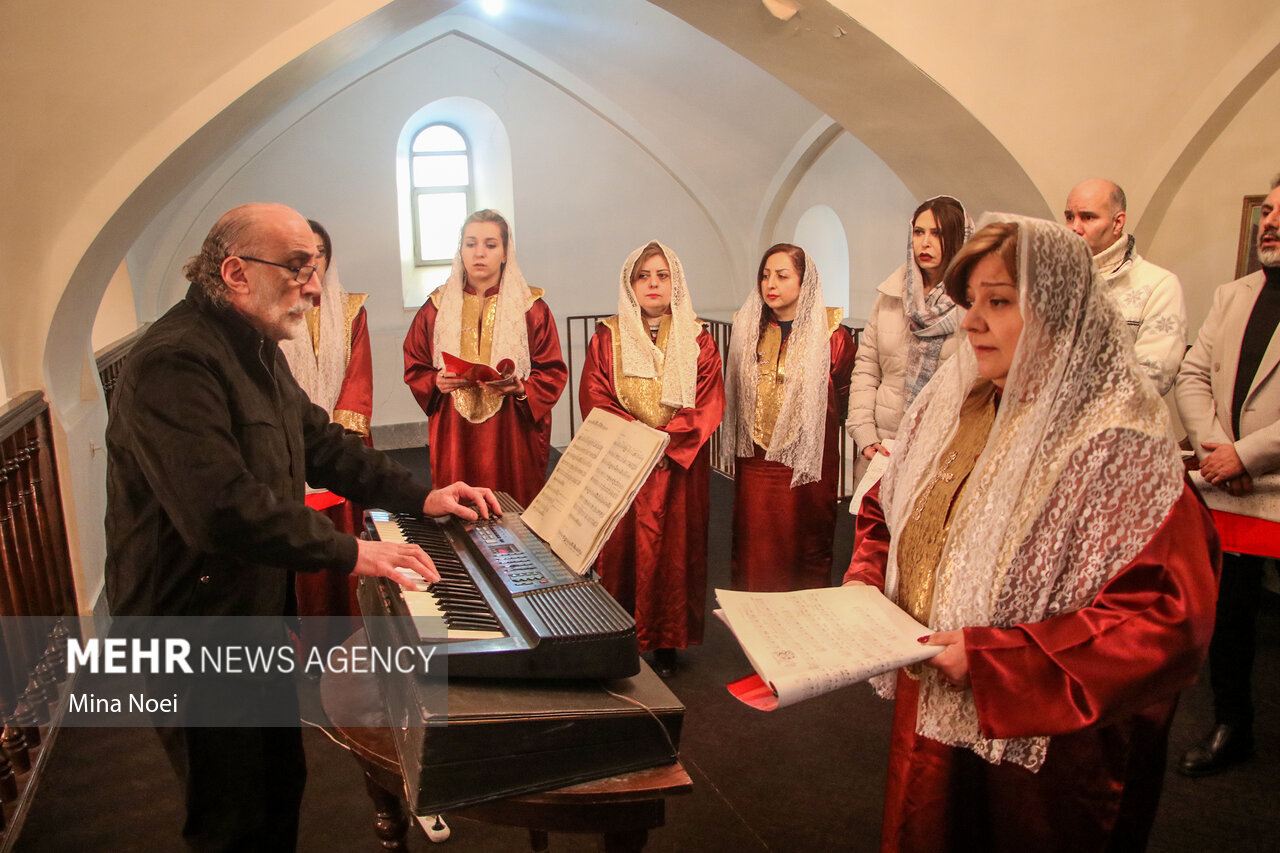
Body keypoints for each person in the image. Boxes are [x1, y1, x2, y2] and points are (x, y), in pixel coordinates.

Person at [104, 202, 500, 852]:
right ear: (236, 273)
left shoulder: (255, 347)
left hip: (248, 612)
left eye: (314, 268)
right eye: (297, 268)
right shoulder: (175, 361)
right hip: (191, 626)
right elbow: (220, 508)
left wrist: (422, 497)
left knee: (279, 785)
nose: (314, 287)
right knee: (231, 816)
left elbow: (322, 443)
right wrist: (354, 554)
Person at [844, 214, 1218, 852]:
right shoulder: (959, 404)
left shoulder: (1118, 442)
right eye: (971, 302)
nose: (970, 322)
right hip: (933, 699)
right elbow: (888, 503)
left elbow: (1164, 616)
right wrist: (865, 579)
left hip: (1041, 742)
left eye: (998, 302)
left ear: (1059, 315)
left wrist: (998, 662)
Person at [579, 241, 725, 677]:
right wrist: (638, 443)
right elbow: (596, 395)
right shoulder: (607, 336)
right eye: (643, 276)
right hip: (625, 464)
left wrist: (668, 443)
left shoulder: (698, 338)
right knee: (622, 551)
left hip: (678, 468)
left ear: (675, 282)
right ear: (630, 284)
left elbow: (708, 399)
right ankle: (620, 635)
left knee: (674, 553)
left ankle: (666, 640)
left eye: (662, 275)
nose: (653, 283)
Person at [1175, 175, 1280, 777]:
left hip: (1268, 475)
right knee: (1230, 617)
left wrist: (1247, 455)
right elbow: (1192, 375)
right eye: (1267, 211)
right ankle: (1231, 725)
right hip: (1229, 485)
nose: (1270, 223)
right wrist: (1218, 451)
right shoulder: (1232, 294)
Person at [403, 209, 567, 507]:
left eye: (490, 245)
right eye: (471, 244)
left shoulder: (531, 308)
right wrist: (435, 381)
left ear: (505, 252)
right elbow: (415, 363)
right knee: (458, 507)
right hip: (455, 432)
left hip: (511, 430)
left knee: (512, 509)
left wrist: (521, 388)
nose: (479, 253)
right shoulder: (436, 307)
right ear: (461, 249)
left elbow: (552, 371)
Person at [726, 243, 856, 591]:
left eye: (782, 276)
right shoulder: (747, 329)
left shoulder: (832, 335)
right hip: (756, 461)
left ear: (804, 281)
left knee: (804, 545)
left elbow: (842, 391)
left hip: (806, 464)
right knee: (756, 545)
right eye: (765, 276)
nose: (771, 284)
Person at [280, 219, 372, 660]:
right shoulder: (275, 310)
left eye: (320, 252)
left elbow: (358, 376)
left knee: (345, 540)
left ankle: (351, 637)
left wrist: (337, 437)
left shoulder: (352, 310)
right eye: (304, 254)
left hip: (337, 440)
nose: (313, 261)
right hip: (288, 446)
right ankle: (308, 645)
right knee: (300, 543)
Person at [846, 196, 970, 490]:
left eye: (937, 233)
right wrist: (865, 434)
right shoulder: (892, 294)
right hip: (885, 445)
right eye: (918, 232)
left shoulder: (974, 301)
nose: (925, 243)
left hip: (946, 450)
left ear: (959, 238)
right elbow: (867, 369)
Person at [1064, 178, 1187, 394]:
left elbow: (1154, 375)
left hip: (1115, 413)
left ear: (1118, 223)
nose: (1075, 227)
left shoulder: (1159, 285)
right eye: (1069, 217)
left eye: (1088, 217)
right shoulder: (1054, 280)